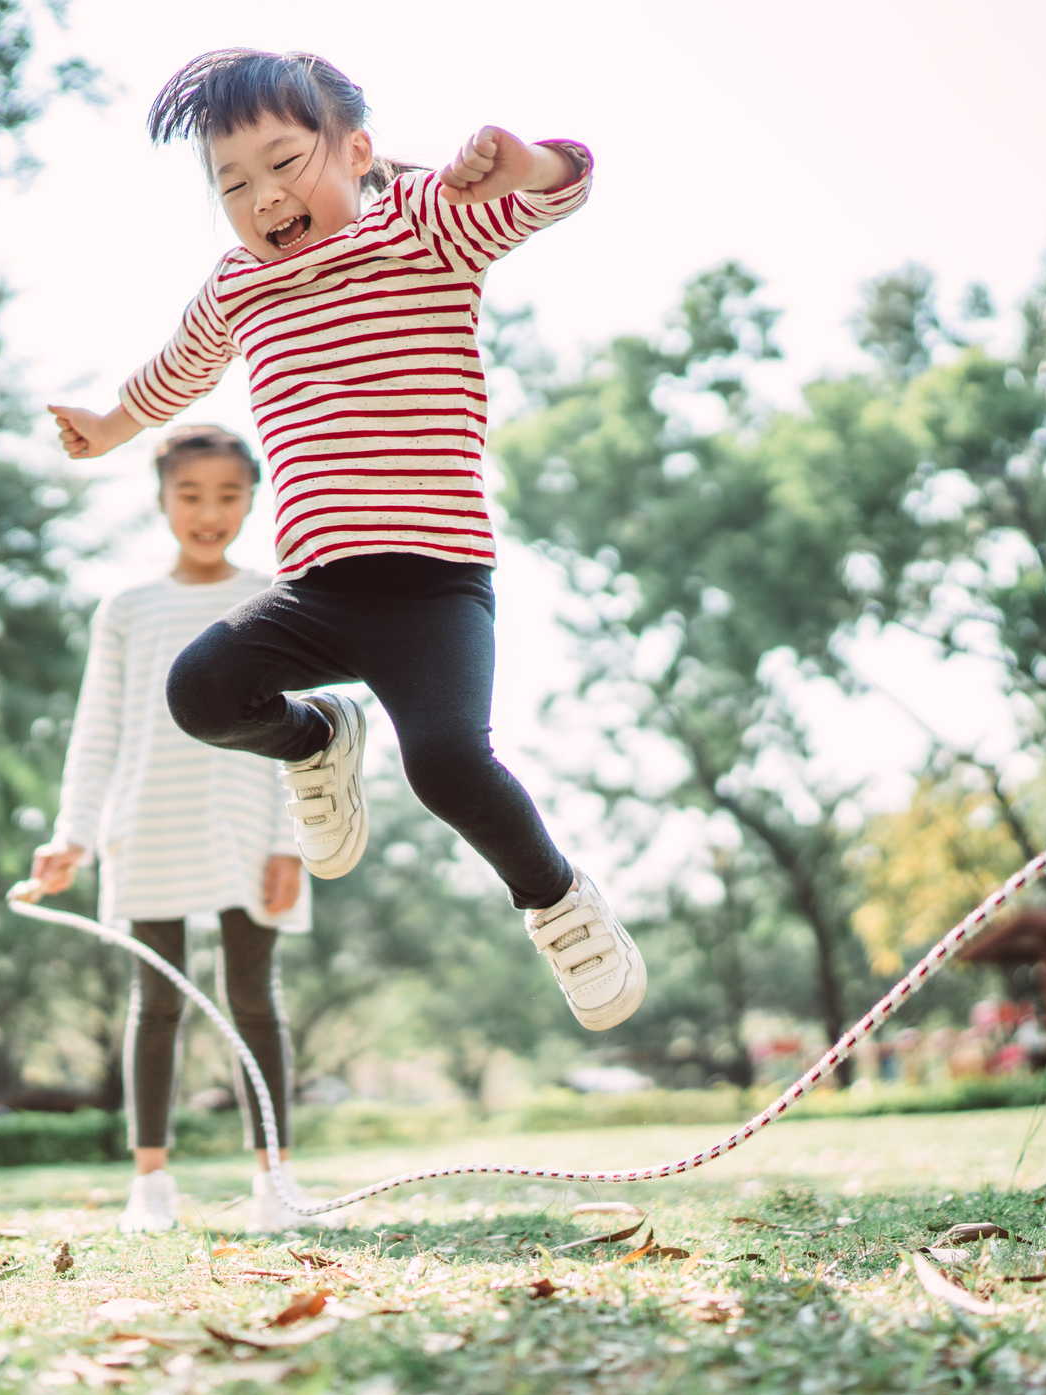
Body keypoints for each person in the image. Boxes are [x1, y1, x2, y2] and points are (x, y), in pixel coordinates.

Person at [46, 49, 645, 1035]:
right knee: (200, 689)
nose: (262, 195)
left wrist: (519, 164)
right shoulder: (239, 286)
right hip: (318, 589)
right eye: (232, 182)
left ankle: (556, 902)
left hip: (436, 589)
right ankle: (317, 736)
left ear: (355, 152)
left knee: (447, 761)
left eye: (284, 162)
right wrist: (112, 427)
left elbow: (560, 188)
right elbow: (181, 366)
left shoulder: (419, 225)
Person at [30, 425, 332, 1235]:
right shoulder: (127, 608)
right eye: (190, 495)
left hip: (245, 819)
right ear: (163, 499)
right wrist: (73, 836)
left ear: (254, 499)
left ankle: (277, 1184)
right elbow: (98, 730)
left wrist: (290, 841)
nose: (209, 512)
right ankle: (152, 1186)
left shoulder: (277, 596)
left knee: (252, 1000)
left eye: (228, 495)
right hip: (147, 819)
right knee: (155, 1001)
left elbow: (302, 730)